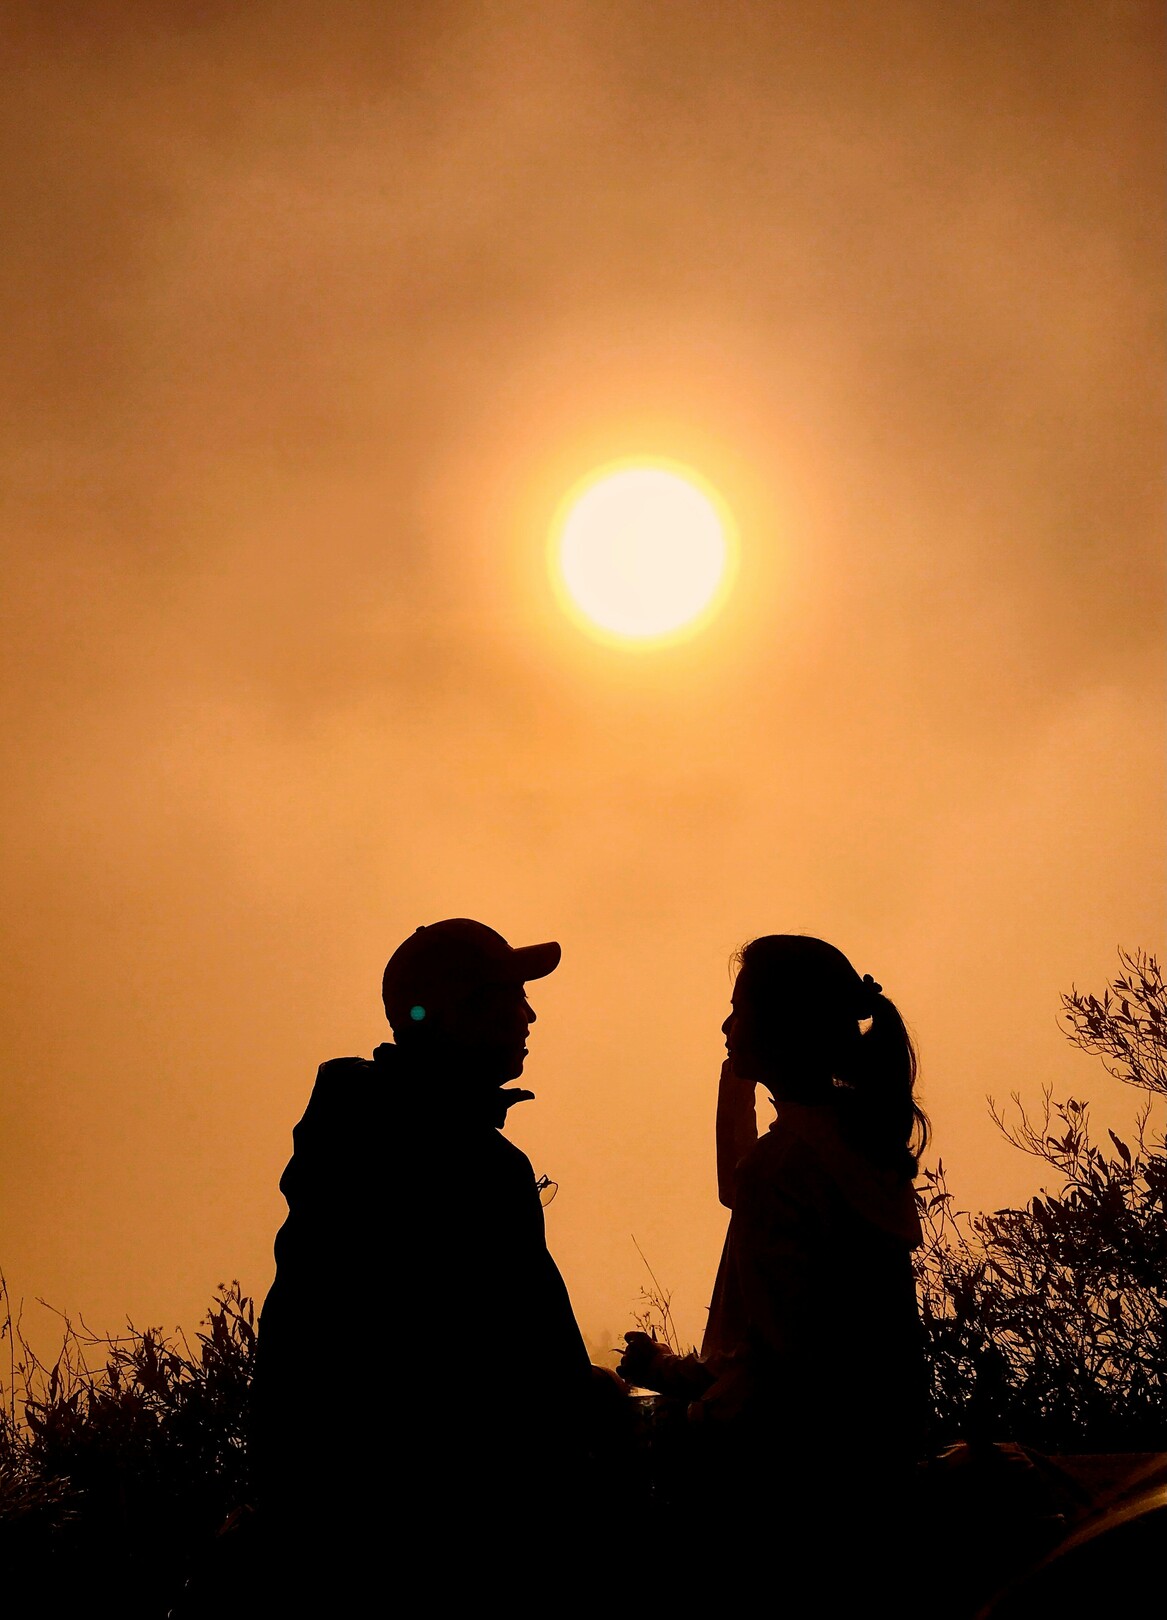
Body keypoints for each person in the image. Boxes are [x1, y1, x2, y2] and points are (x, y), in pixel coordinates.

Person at [249, 918, 607, 1595]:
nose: (528, 1014)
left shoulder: (352, 1140)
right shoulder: (470, 1164)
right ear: (452, 1012)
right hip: (446, 1541)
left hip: (337, 1530)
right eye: (507, 995)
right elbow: (511, 1367)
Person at [619, 933, 928, 1592]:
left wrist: (660, 1372)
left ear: (780, 1025)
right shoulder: (862, 1147)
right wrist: (737, 1078)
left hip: (782, 1495)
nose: (725, 1025)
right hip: (873, 1471)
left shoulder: (783, 1167)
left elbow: (774, 1376)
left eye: (739, 1010)